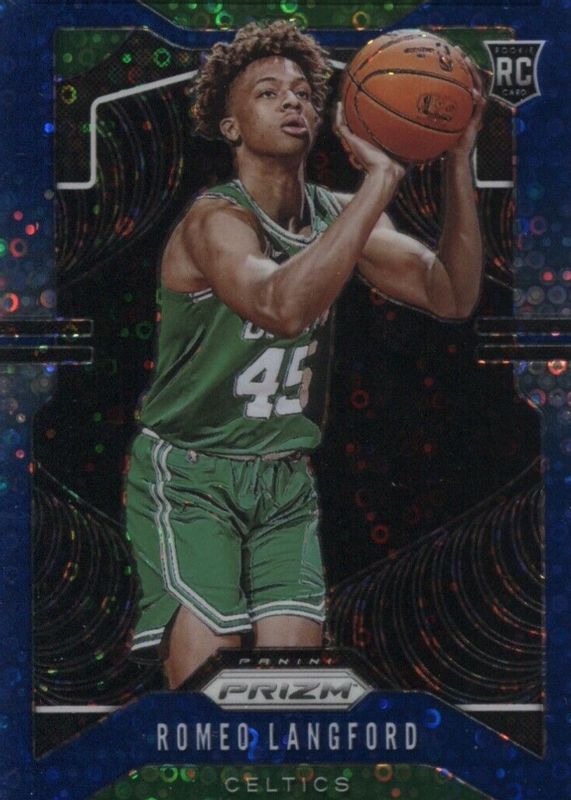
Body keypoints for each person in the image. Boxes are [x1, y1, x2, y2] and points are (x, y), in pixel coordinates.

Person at [125, 20, 486, 688]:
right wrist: (381, 180)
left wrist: (458, 159)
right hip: (193, 475)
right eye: (267, 93)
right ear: (231, 126)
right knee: (213, 685)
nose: (292, 101)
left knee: (288, 686)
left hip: (284, 478)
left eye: (301, 92)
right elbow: (281, 307)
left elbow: (452, 293)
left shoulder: (337, 214)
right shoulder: (214, 221)